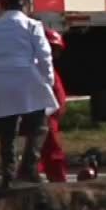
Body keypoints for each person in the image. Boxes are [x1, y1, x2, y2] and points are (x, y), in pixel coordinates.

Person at [0, 0, 59, 188]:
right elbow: (45, 56)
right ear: (26, 7)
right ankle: (30, 168)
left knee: (7, 131)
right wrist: (48, 82)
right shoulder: (32, 26)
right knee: (39, 125)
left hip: (1, 81)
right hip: (27, 77)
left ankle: (8, 174)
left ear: (4, 8)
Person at [40, 29, 69, 183]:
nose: (55, 54)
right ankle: (58, 181)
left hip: (50, 115)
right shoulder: (42, 68)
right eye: (54, 49)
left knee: (42, 150)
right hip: (46, 116)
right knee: (52, 151)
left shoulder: (48, 68)